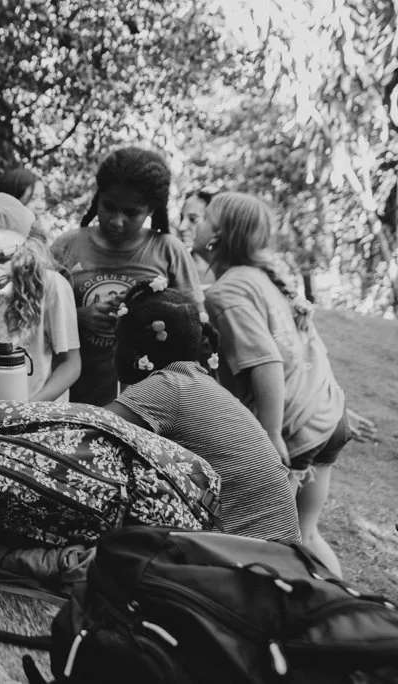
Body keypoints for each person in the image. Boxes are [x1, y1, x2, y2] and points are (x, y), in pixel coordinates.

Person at [193, 192, 377, 576]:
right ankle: (343, 616)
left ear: (219, 235)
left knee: (267, 545)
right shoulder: (264, 278)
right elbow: (308, 349)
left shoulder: (227, 292)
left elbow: (267, 362)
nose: (196, 223)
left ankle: (302, 619)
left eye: (205, 218)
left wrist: (271, 433)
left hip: (293, 431)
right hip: (327, 415)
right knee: (306, 536)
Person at [103, 280, 301, 543]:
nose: (113, 350)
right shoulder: (195, 381)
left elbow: (80, 429)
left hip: (247, 562)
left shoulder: (166, 387)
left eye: (118, 340)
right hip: (277, 553)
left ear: (138, 350)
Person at [50, 146, 204, 406]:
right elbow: (32, 317)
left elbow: (195, 329)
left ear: (151, 211)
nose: (116, 221)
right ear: (98, 198)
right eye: (109, 207)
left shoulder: (168, 250)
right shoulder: (68, 246)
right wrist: (77, 317)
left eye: (131, 213)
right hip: (73, 398)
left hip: (149, 404)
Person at [0, 193, 81, 402]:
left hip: (41, 415)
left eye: (4, 259)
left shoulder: (52, 286)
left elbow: (71, 365)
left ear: (26, 248)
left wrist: (28, 409)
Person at [179, 189, 218, 288]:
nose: (181, 227)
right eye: (181, 218)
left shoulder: (232, 273)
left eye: (193, 219)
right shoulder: (175, 267)